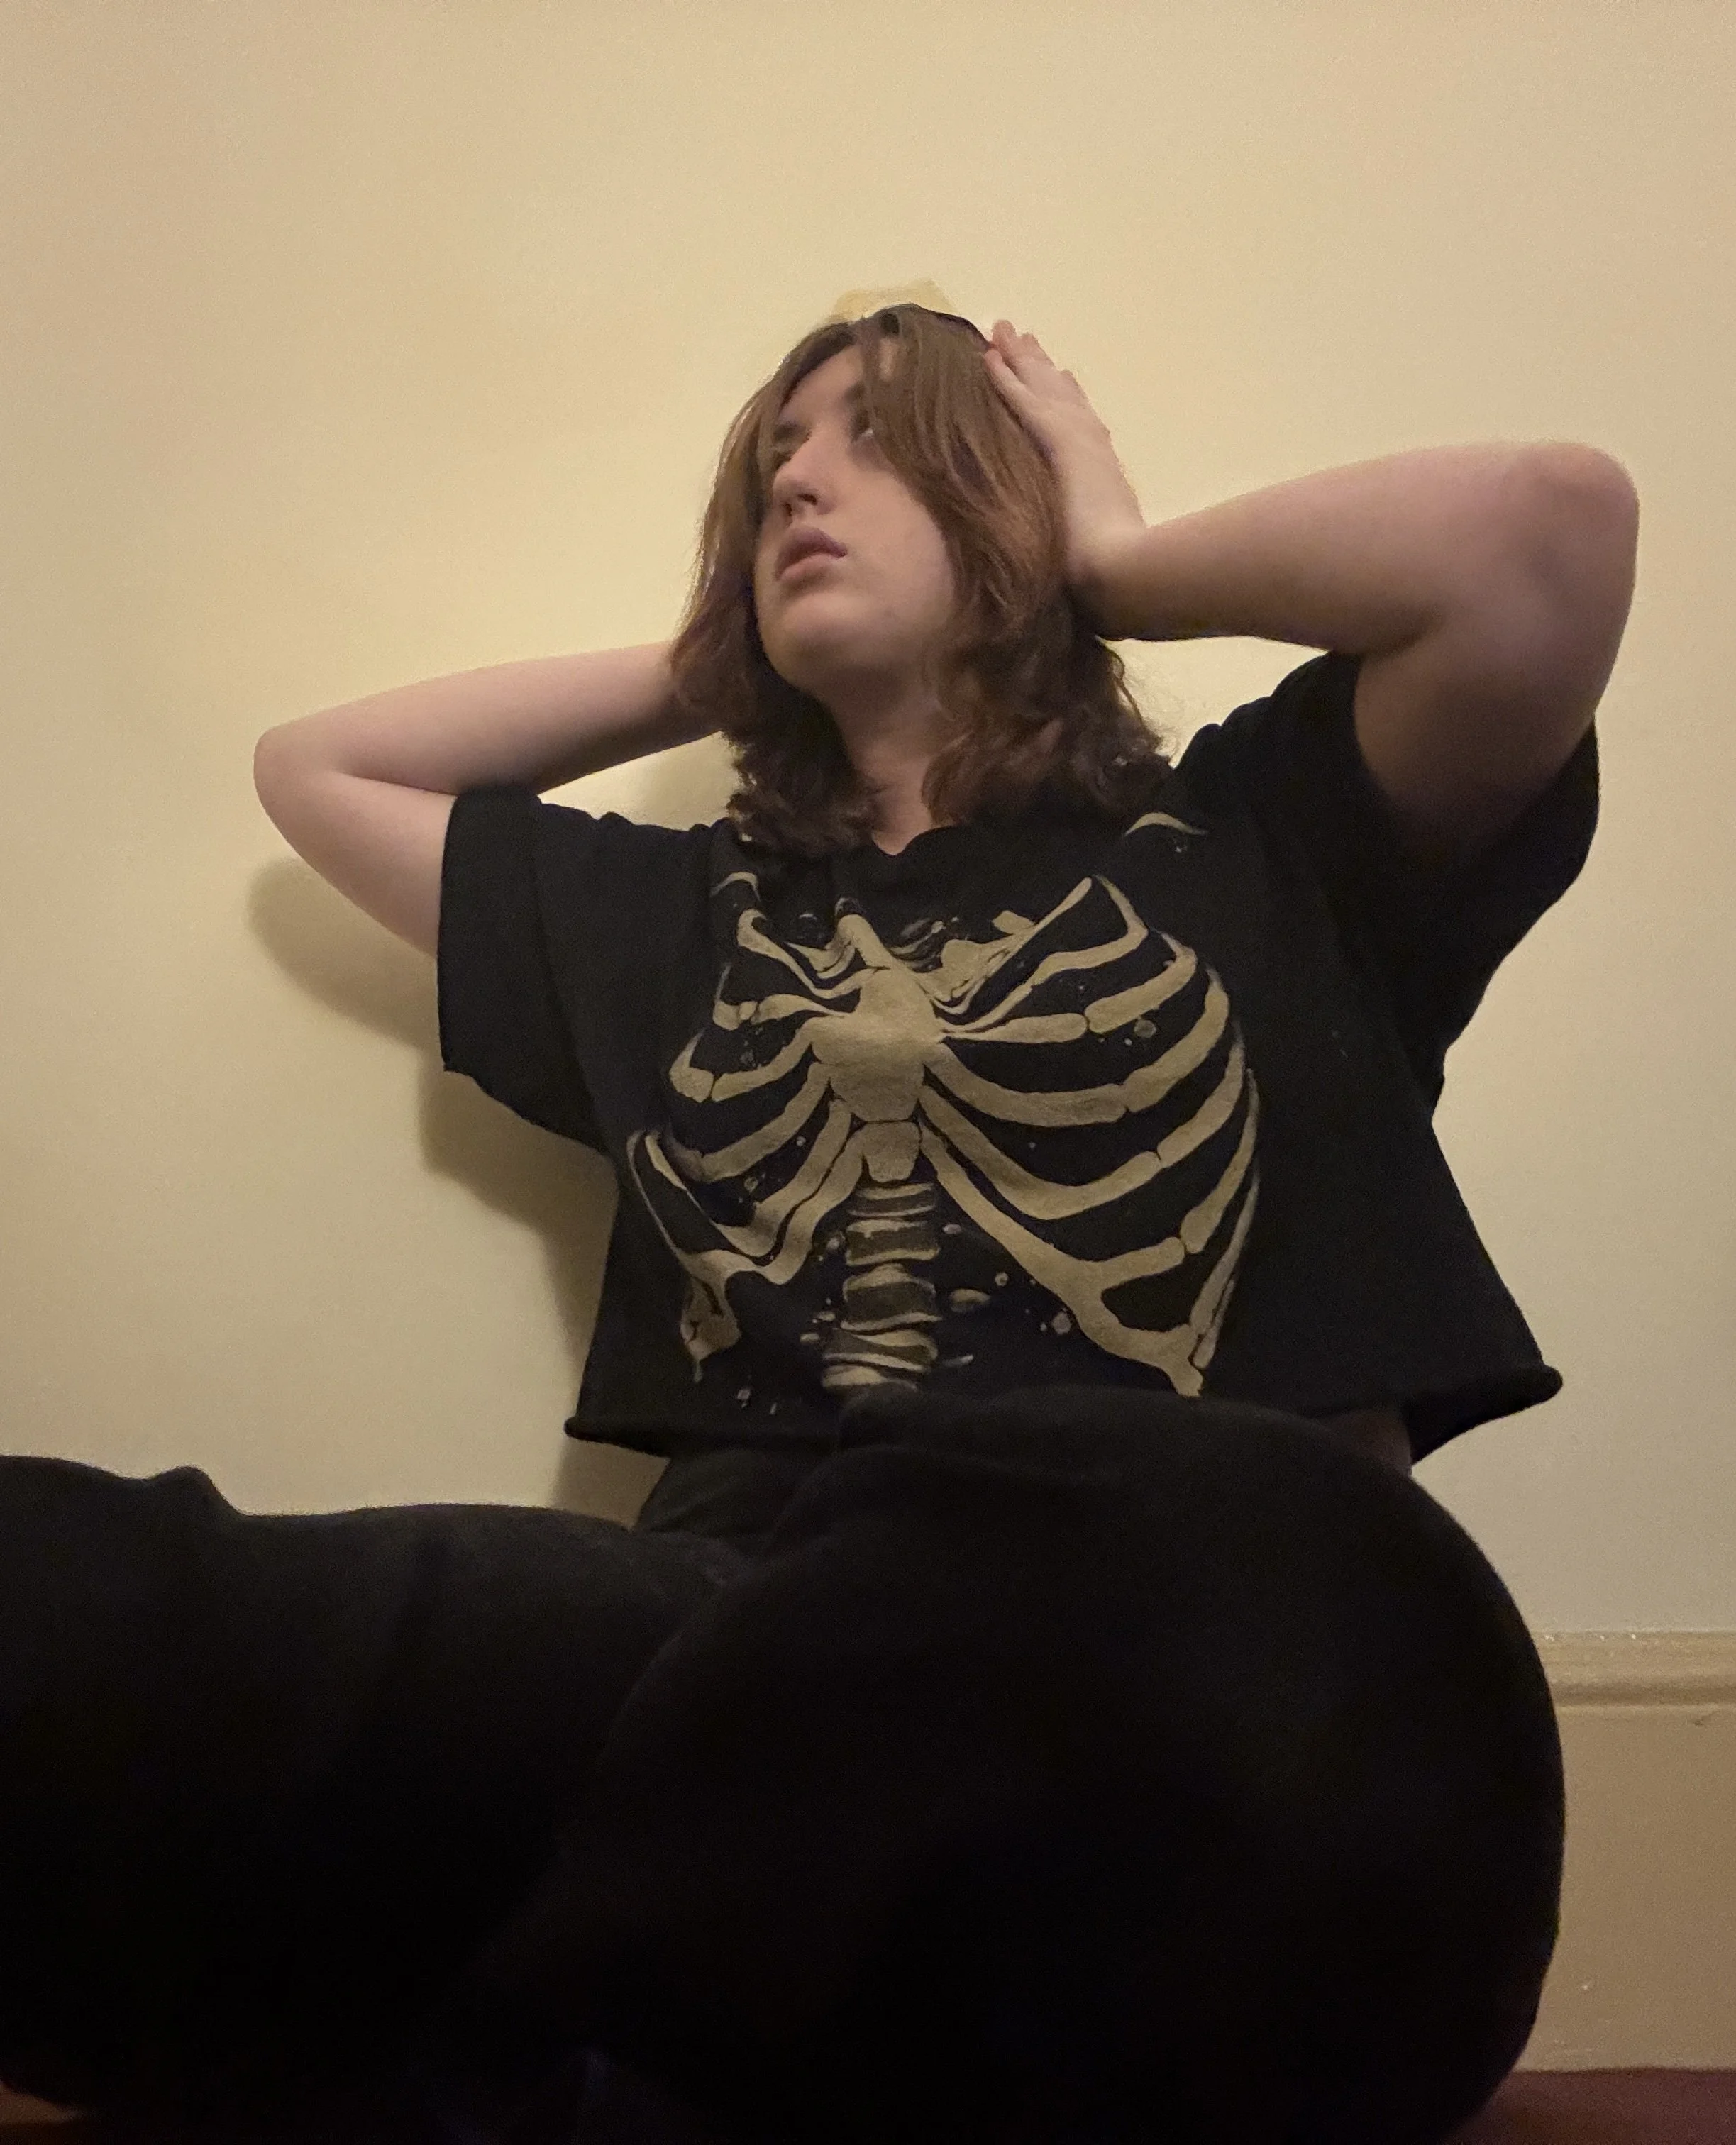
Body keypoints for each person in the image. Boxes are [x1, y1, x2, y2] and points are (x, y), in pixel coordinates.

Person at [0, 303, 1636, 2144]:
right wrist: (724, 660)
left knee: (1208, 1580)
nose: (796, 478)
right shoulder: (671, 919)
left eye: (870, 431)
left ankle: (607, 2035)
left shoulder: (1272, 836)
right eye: (775, 456)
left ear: (1008, 491)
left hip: (1219, 1677)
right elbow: (318, 770)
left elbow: (1546, 530)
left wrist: (1109, 557)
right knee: (140, 1622)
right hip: (740, 1646)